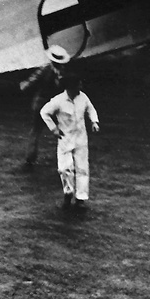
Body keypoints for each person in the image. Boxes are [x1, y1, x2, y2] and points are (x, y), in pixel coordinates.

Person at [39, 64, 100, 209]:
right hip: (65, 138)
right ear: (71, 86)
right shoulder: (59, 100)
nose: (81, 86)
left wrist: (94, 121)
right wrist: (53, 129)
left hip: (80, 138)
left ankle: (81, 197)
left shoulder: (83, 97)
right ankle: (68, 192)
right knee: (64, 168)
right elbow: (44, 112)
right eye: (79, 84)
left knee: (82, 168)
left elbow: (91, 109)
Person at [20, 46, 69, 166]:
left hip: (41, 104)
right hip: (54, 106)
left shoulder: (45, 69)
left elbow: (31, 81)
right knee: (64, 129)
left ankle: (30, 158)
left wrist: (24, 85)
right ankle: (66, 156)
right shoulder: (63, 72)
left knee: (35, 131)